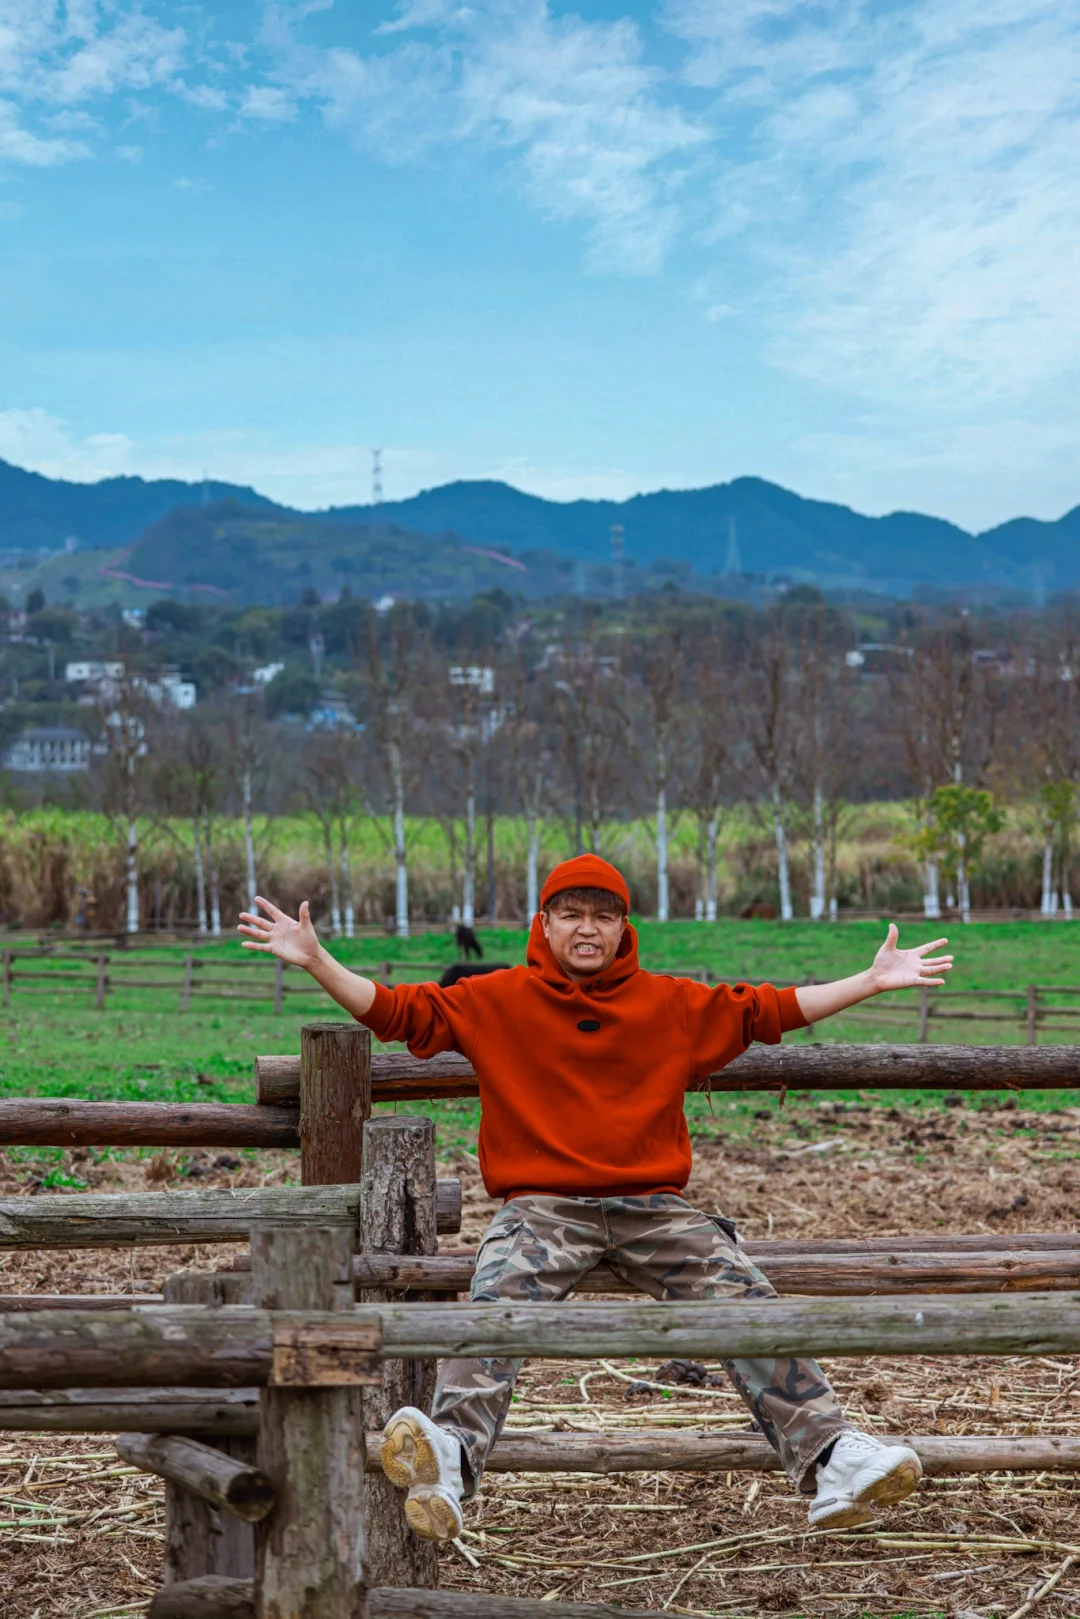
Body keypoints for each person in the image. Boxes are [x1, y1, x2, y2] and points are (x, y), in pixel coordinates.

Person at [238, 854, 953, 1542]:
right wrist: (318, 960)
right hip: (543, 1207)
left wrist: (870, 979)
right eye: (571, 913)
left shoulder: (670, 1003)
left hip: (655, 1208)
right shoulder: (497, 998)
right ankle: (449, 1458)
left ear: (623, 927)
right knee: (500, 1295)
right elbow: (397, 1012)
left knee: (741, 1290)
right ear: (542, 922)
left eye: (603, 915)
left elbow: (770, 1010)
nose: (587, 928)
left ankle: (832, 1459)